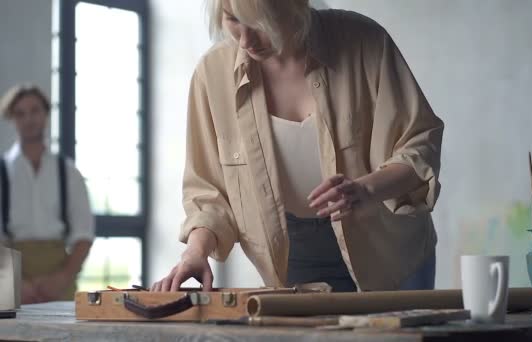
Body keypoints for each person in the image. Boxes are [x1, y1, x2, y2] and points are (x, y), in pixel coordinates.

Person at [153, 0, 444, 292]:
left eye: (261, 24)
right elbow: (209, 192)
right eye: (233, 20)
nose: (245, 40)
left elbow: (420, 142)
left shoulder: (365, 42)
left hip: (390, 250)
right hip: (293, 258)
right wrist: (195, 252)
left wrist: (365, 190)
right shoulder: (211, 75)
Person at [0, 84, 95, 303]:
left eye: (35, 110)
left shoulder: (68, 172)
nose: (29, 119)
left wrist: (62, 277)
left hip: (60, 272)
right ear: (12, 118)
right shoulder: (2, 171)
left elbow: (84, 234)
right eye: (20, 113)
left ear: (45, 113)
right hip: (8, 270)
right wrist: (16, 282)